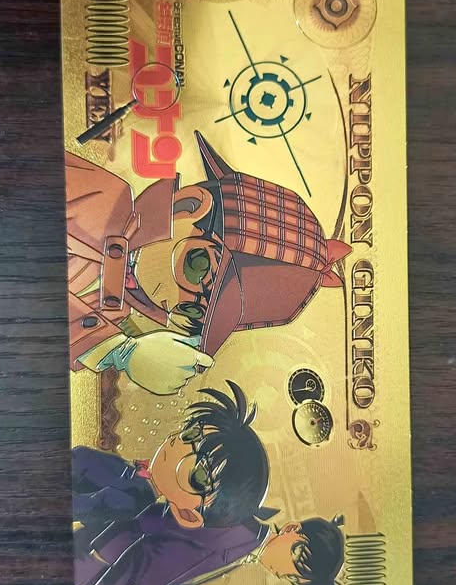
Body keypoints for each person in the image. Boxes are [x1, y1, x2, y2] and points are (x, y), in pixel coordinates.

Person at [67, 131, 351, 394]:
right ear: (188, 206)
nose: (175, 298)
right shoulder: (102, 199)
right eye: (196, 266)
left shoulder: (114, 314)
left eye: (191, 311)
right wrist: (116, 350)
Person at [73, 381, 278, 585]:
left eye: (200, 475)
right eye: (192, 432)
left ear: (187, 515)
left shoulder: (134, 509)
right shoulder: (134, 483)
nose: (180, 444)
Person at [175, 514, 346, 585]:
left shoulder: (242, 554)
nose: (282, 573)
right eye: (296, 555)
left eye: (292, 577)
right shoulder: (238, 526)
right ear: (290, 528)